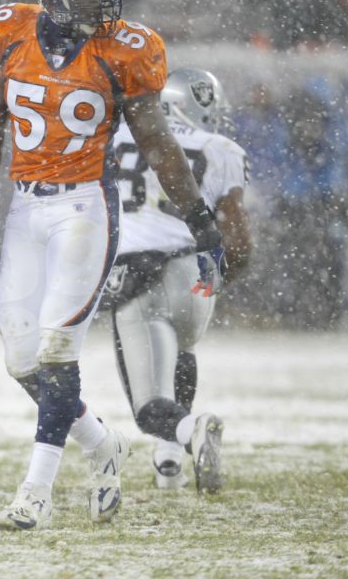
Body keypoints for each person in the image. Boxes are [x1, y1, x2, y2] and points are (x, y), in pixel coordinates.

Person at [0, 0, 223, 530]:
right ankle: (103, 445)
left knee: (57, 352)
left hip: (85, 208)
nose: (100, 5)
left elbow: (156, 141)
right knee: (21, 361)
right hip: (25, 208)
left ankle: (36, 493)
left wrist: (201, 221)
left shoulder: (123, 49)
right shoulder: (4, 33)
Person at [99, 67, 253, 494]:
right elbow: (238, 241)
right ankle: (169, 460)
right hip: (194, 275)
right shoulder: (221, 148)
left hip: (139, 274)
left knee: (149, 406)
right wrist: (218, 280)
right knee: (179, 349)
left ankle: (190, 431)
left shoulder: (114, 138)